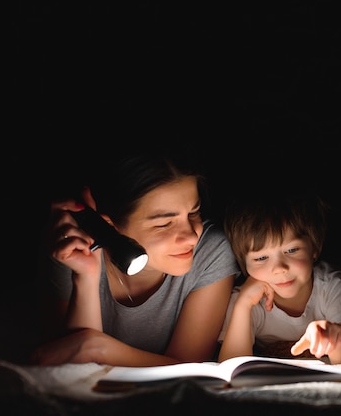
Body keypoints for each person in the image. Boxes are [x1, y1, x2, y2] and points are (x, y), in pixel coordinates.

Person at [31, 152, 240, 366]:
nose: (191, 235)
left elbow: (188, 370)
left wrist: (97, 348)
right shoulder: (70, 248)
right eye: (164, 224)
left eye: (193, 213)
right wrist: (85, 277)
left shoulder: (211, 251)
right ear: (110, 226)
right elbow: (69, 366)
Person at [218, 190, 341, 364]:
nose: (279, 268)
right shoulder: (246, 299)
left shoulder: (332, 286)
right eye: (261, 258)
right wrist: (243, 305)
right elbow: (231, 366)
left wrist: (332, 341)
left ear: (314, 247)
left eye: (292, 250)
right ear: (245, 264)